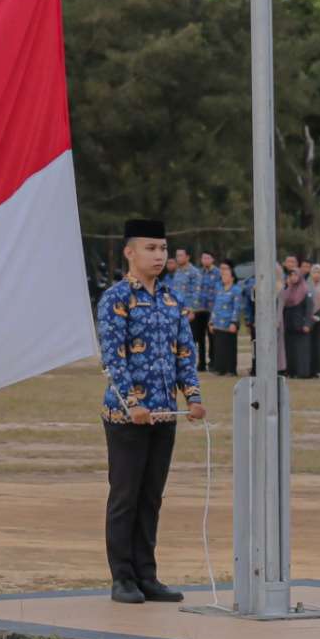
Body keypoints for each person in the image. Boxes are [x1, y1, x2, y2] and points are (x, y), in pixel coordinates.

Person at [94, 216, 203, 605]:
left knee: (151, 497)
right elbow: (114, 358)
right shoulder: (116, 299)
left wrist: (192, 397)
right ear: (130, 252)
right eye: (151, 248)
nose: (159, 256)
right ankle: (122, 577)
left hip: (164, 415)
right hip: (128, 418)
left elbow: (184, 352)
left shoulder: (172, 301)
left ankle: (147, 575)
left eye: (163, 249)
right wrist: (132, 403)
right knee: (125, 495)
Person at [208, 263, 248, 377]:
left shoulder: (236, 290)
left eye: (226, 275)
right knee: (219, 347)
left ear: (232, 277)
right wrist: (211, 321)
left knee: (230, 347)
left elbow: (237, 307)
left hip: (229, 323)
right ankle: (219, 368)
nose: (223, 277)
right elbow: (215, 306)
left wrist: (234, 322)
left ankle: (230, 370)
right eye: (223, 275)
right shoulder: (219, 289)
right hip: (218, 323)